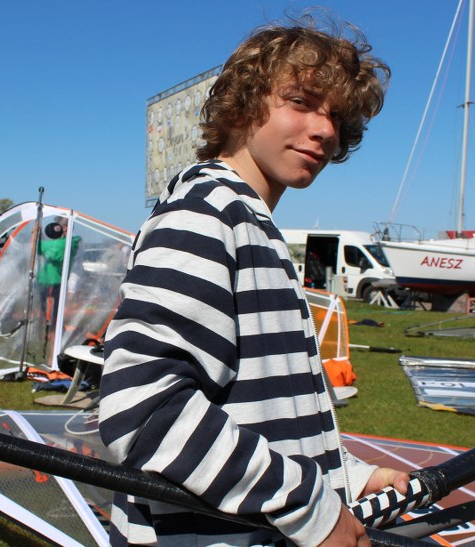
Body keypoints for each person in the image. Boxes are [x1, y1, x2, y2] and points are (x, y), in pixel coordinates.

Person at [98, 17, 409, 546]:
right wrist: (311, 509)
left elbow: (262, 412)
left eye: (336, 115)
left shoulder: (246, 222)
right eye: (302, 102)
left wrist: (349, 476)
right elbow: (144, 410)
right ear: (242, 105)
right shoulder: (205, 214)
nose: (326, 130)